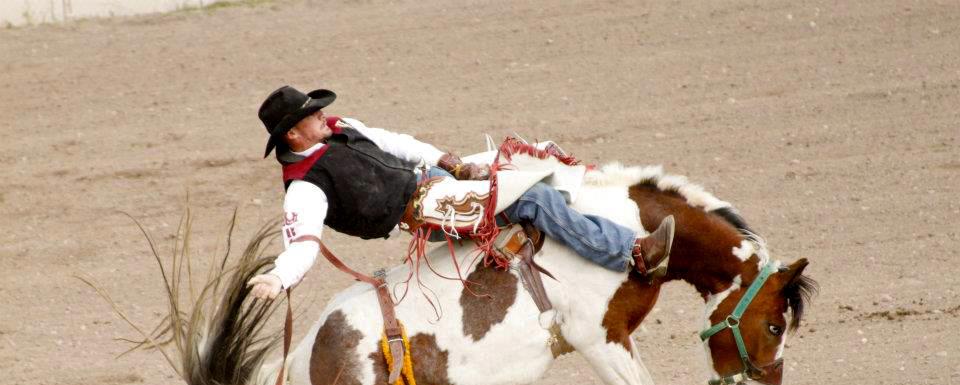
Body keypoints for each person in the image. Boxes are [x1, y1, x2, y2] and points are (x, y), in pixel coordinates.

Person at [247, 86, 673, 300]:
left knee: (539, 156)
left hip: (433, 177)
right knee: (530, 197)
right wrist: (279, 277)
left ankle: (552, 229)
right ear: (293, 133)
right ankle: (629, 253)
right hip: (423, 210)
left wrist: (450, 162)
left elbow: (398, 142)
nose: (320, 113)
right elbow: (302, 243)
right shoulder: (304, 187)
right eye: (310, 114)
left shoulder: (342, 126)